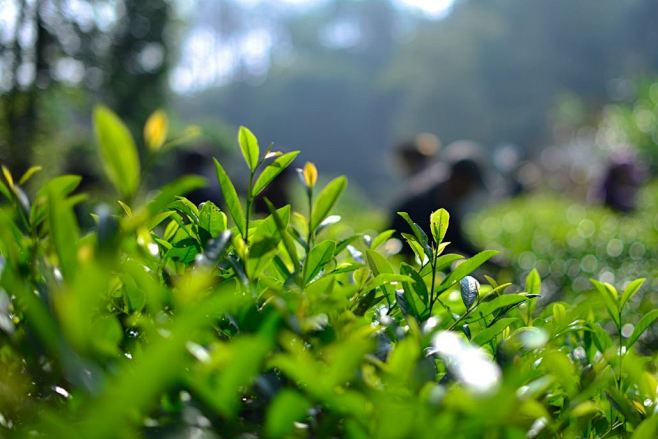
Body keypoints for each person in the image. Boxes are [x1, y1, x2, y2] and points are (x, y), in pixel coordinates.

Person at [390, 145, 488, 258]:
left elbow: (457, 241)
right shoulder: (424, 204)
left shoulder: (443, 202)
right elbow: (450, 246)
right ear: (460, 179)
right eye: (470, 184)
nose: (470, 191)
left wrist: (486, 258)